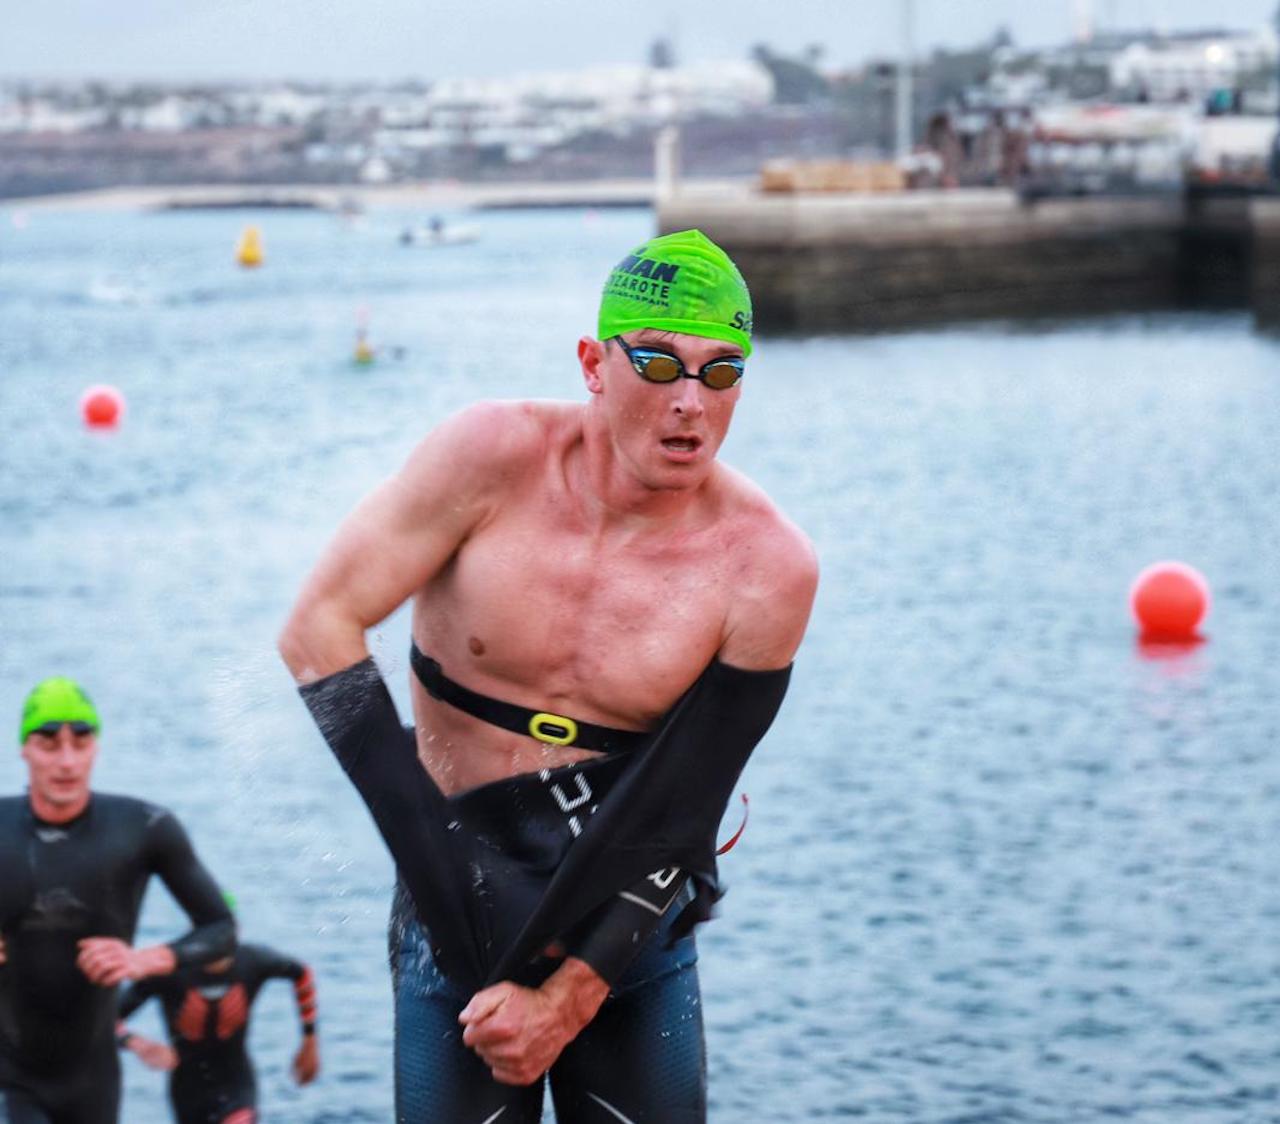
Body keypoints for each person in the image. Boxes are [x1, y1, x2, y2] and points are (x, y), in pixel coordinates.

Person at [279, 228, 818, 1122]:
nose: (690, 402)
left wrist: (568, 994)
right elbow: (317, 629)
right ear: (592, 364)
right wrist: (450, 904)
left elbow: (686, 806)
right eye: (658, 362)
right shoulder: (489, 458)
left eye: (721, 373)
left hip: (628, 928)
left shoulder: (767, 567)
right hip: (448, 894)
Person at [0, 677, 236, 1124]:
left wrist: (147, 959)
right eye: (48, 744)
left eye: (81, 741)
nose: (67, 761)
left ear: (96, 747)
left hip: (92, 1080)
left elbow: (221, 929)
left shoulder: (144, 827)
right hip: (10, 1078)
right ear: (24, 750)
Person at [116, 896, 320, 1124]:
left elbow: (302, 974)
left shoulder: (253, 961)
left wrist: (309, 1039)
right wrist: (136, 1043)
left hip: (237, 1085)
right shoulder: (169, 972)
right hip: (187, 1092)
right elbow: (104, 1022)